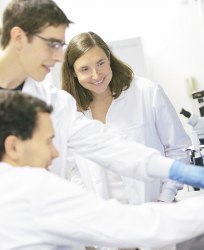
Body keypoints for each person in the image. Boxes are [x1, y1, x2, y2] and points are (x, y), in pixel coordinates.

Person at [0, 0, 204, 203]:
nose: (59, 55)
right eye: (52, 44)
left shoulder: (55, 102)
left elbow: (107, 147)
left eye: (61, 45)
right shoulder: (60, 101)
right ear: (19, 37)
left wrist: (172, 170)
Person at [1, 90, 204, 250]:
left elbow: (107, 146)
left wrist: (170, 168)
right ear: (13, 146)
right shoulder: (32, 189)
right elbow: (141, 225)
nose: (56, 154)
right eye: (48, 142)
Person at [61, 31, 191, 204]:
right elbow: (75, 169)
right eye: (85, 69)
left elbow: (178, 149)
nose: (96, 75)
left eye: (100, 63)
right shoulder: (72, 111)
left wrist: (166, 197)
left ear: (109, 58)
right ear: (74, 73)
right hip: (107, 219)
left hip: (156, 209)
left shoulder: (146, 92)